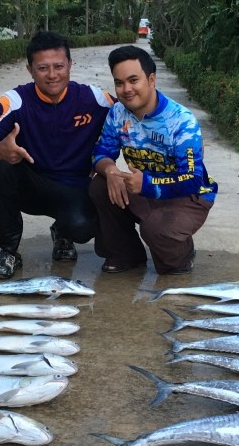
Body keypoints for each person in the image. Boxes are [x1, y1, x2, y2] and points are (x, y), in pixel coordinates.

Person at [0, 31, 114, 279]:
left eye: (59, 66)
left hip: (74, 188)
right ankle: (9, 251)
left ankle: (63, 232)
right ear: (30, 70)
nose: (52, 74)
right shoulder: (15, 101)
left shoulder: (94, 99)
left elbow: (135, 111)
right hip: (31, 186)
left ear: (70, 65)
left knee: (83, 227)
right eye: (43, 68)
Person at [89, 45, 218, 275]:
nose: (126, 89)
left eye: (133, 80)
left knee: (156, 229)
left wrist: (147, 185)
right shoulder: (117, 113)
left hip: (187, 195)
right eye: (119, 83)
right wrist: (109, 170)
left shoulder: (182, 121)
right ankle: (126, 254)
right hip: (143, 189)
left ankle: (183, 256)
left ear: (151, 79)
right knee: (100, 185)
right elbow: (101, 153)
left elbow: (192, 178)